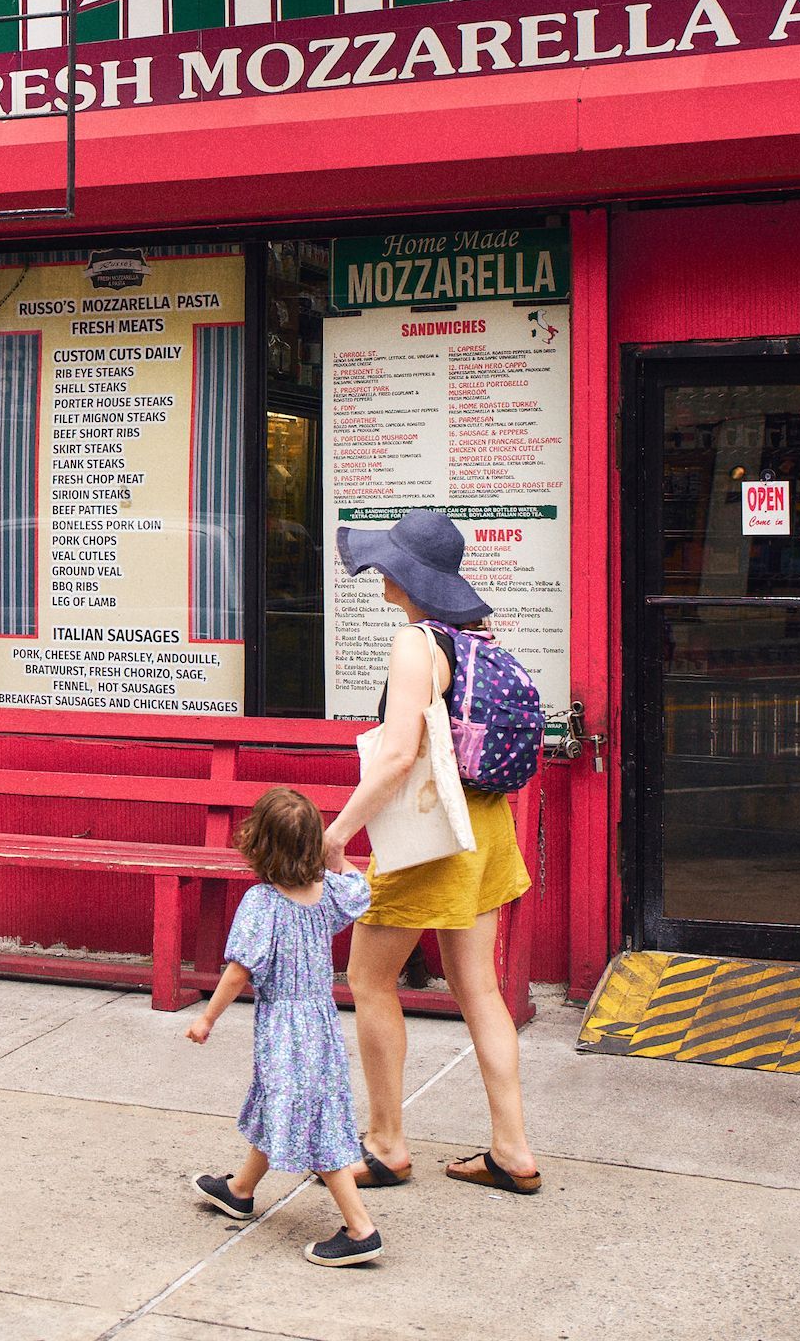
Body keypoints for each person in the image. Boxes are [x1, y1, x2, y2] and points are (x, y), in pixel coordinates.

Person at [324, 510, 541, 1196]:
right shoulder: (476, 639)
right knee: (479, 989)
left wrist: (336, 834)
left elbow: (396, 759)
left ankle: (386, 1144)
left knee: (368, 980)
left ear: (401, 574)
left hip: (430, 837)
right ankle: (513, 1150)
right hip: (485, 831)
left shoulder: (415, 644)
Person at [185, 786, 383, 1267]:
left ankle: (361, 1229)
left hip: (285, 1028)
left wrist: (207, 1017)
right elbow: (361, 889)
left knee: (311, 1122)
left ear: (258, 846)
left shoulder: (262, 903)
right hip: (320, 1022)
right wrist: (336, 857)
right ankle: (240, 1189)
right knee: (282, 1104)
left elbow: (239, 970)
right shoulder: (329, 893)